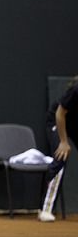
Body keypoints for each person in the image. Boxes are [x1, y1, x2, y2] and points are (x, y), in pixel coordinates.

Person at [38, 76, 78, 222]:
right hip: (56, 118)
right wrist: (63, 141)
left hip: (75, 122)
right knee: (61, 155)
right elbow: (60, 113)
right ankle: (46, 209)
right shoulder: (76, 89)